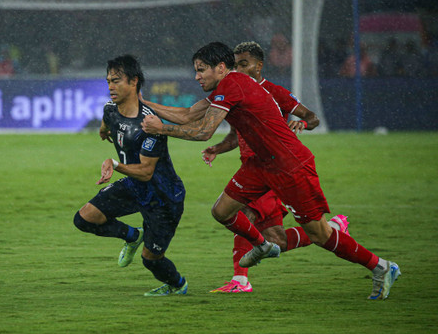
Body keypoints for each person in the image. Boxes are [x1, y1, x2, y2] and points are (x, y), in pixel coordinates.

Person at [140, 41, 400, 300]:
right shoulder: (226, 86)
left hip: (290, 165)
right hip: (260, 164)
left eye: (201, 70)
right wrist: (144, 104)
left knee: (319, 234)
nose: (196, 76)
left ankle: (381, 267)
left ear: (220, 68)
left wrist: (160, 128)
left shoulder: (233, 84)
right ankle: (263, 245)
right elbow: (187, 115)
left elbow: (203, 131)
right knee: (222, 211)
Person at [197, 41, 348, 293]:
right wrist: (218, 149)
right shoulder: (235, 90)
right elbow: (236, 135)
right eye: (236, 64)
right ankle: (332, 229)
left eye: (245, 64)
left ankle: (240, 280)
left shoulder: (273, 91)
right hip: (253, 169)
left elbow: (312, 117)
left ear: (259, 65)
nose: (239, 69)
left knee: (243, 215)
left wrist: (304, 124)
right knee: (276, 239)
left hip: (275, 169)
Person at [73, 55, 188, 296]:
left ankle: (178, 285)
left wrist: (114, 163)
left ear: (134, 81)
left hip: (162, 196)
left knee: (151, 260)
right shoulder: (110, 110)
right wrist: (104, 132)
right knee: (84, 219)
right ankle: (133, 235)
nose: (110, 87)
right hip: (134, 187)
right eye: (108, 81)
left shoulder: (149, 124)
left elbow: (146, 172)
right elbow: (106, 125)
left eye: (116, 81)